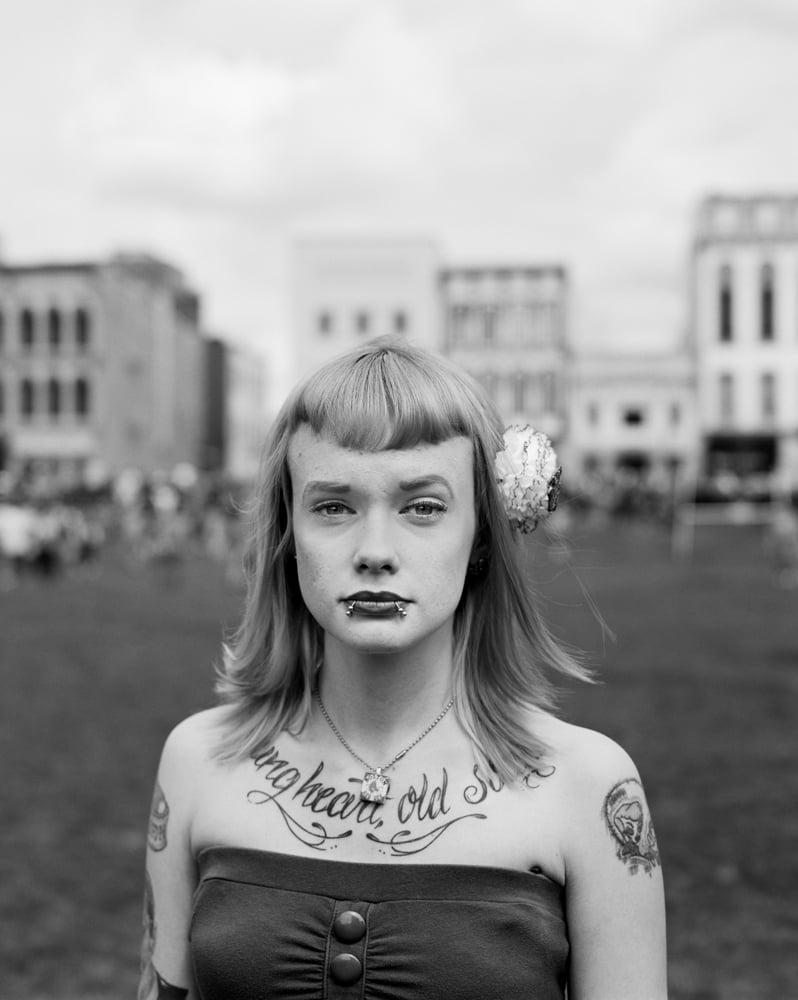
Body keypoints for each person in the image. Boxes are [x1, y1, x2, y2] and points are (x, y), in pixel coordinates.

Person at [139, 337, 667, 1000]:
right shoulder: (198, 761)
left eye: (423, 506)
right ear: (287, 533)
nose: (375, 551)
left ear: (482, 535)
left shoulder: (588, 787)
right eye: (334, 507)